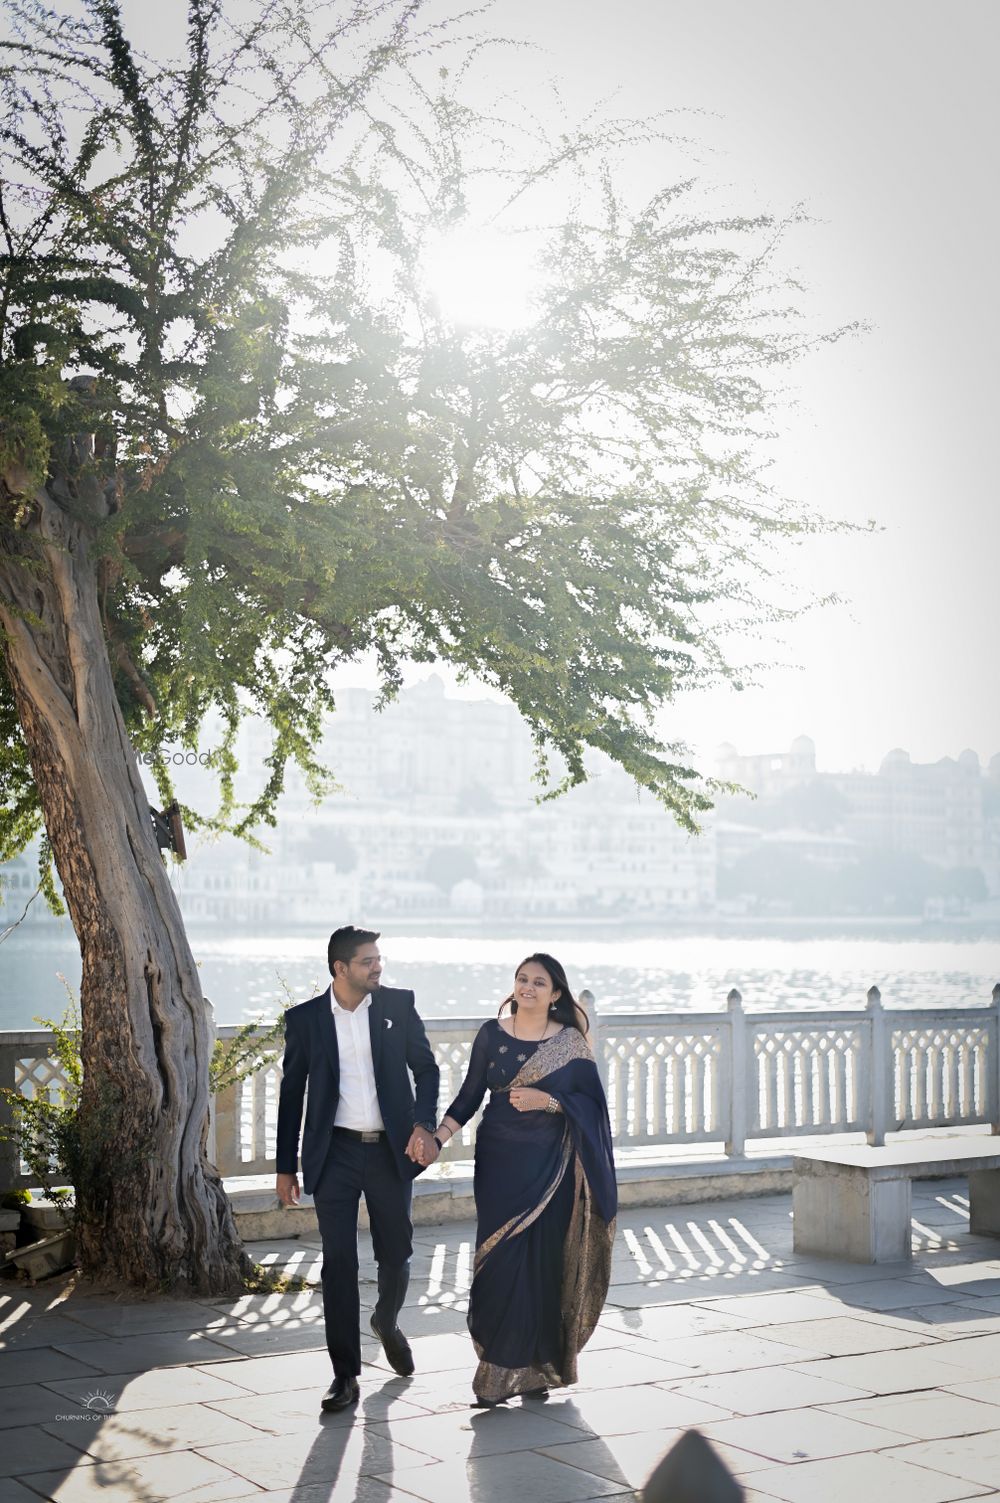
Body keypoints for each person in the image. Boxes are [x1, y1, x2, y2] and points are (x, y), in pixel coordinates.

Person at [423, 952, 616, 1406]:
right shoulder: (492, 1034)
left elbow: (593, 1109)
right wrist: (438, 1136)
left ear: (556, 995)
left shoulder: (570, 1043)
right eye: (522, 979)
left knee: (543, 1265)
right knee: (500, 1262)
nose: (528, 987)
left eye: (539, 982)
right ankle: (500, 1366)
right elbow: (470, 1094)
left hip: (551, 1168)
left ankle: (528, 1372)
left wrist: (550, 1103)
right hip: (499, 1163)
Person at [275, 926, 440, 1413]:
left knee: (397, 1252)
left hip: (390, 1152)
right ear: (339, 968)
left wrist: (422, 1125)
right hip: (336, 1154)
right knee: (339, 1263)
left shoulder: (397, 1006)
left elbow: (426, 1070)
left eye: (378, 959)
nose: (377, 967)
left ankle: (386, 1321)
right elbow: (291, 1097)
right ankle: (344, 1374)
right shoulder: (305, 1020)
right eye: (368, 961)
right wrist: (287, 1167)